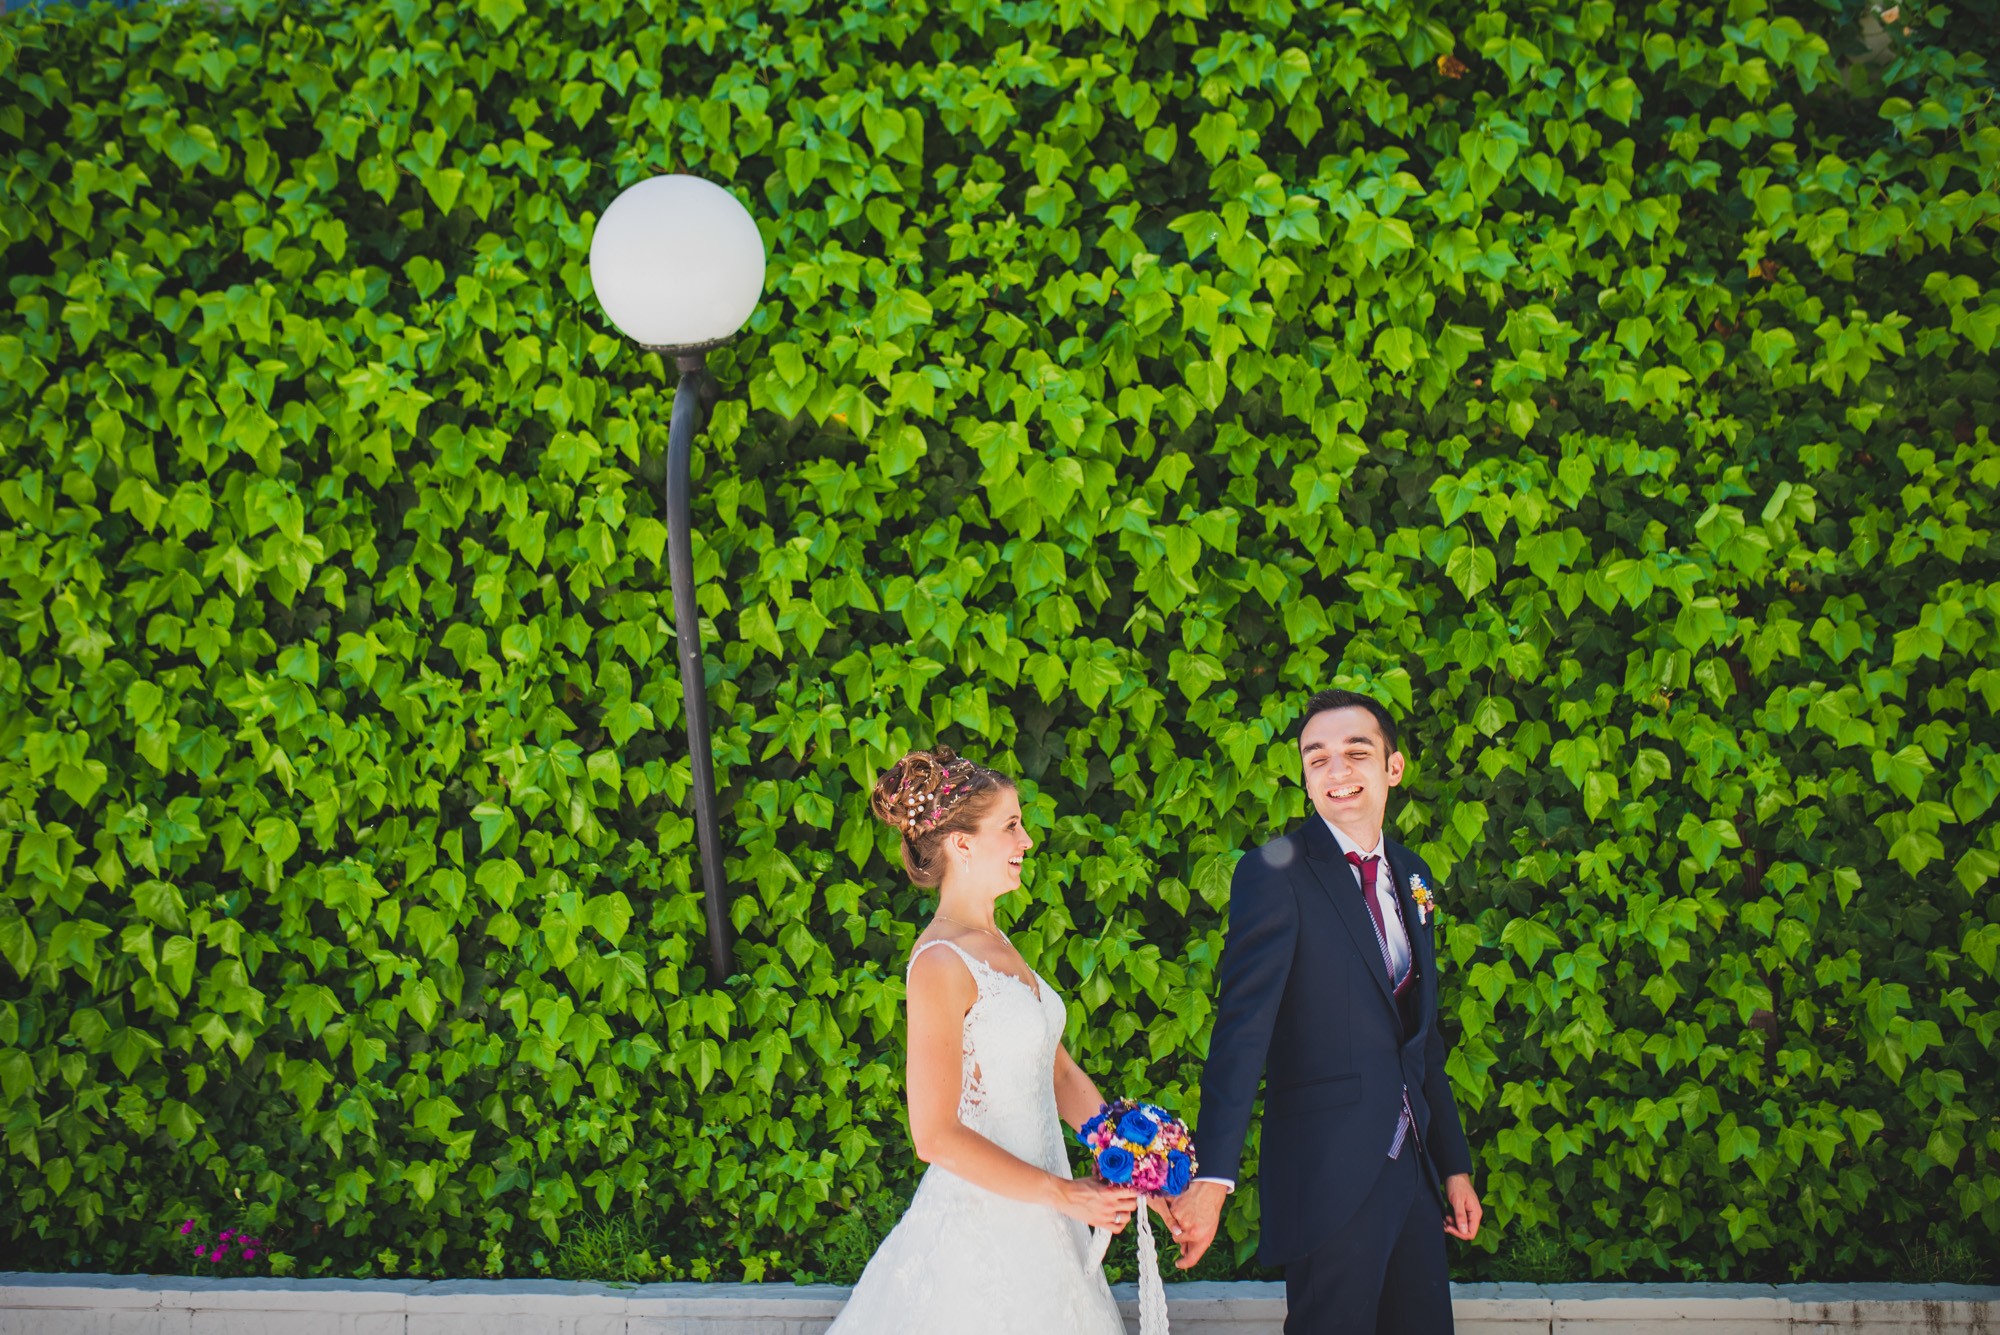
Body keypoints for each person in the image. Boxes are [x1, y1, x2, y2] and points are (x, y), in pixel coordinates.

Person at [1169, 689, 1483, 1333]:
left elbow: (1420, 1041)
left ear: (1392, 768)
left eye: (1355, 753)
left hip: (1415, 1169)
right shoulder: (1274, 873)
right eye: (1318, 759)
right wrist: (1214, 1176)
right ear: (1305, 776)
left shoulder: (1413, 874)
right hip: (1328, 1174)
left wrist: (1453, 1164)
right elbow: (1241, 1032)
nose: (1337, 772)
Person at [825, 746, 1134, 1335]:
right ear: (962, 845)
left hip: (1050, 1220)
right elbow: (934, 1135)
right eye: (1011, 826)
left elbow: (1060, 1074)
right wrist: (1066, 1195)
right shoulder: (941, 960)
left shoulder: (999, 945)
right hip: (987, 1227)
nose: (1027, 842)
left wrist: (1135, 1152)